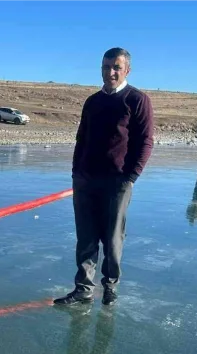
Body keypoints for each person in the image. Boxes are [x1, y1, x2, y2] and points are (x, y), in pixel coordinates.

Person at [54, 47, 154, 306]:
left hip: (117, 181)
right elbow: (81, 138)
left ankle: (110, 286)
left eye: (116, 67)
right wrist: (76, 171)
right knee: (86, 237)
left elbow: (146, 141)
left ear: (127, 70)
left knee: (112, 238)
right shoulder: (93, 101)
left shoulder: (137, 100)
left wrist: (131, 176)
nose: (110, 72)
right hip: (86, 179)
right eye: (106, 67)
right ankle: (83, 289)